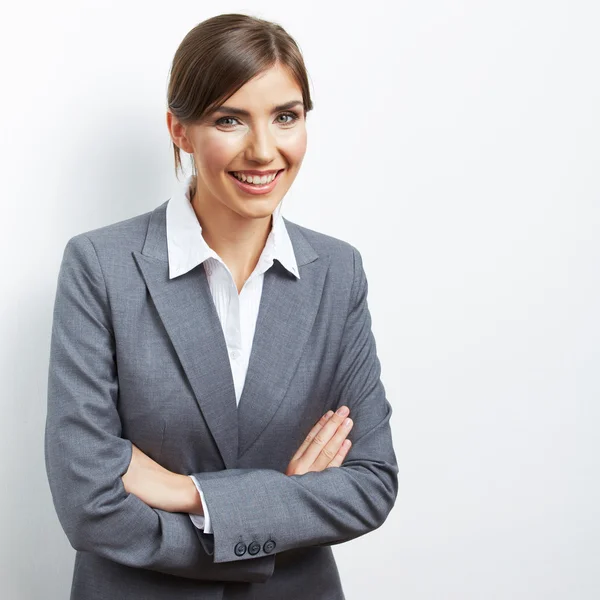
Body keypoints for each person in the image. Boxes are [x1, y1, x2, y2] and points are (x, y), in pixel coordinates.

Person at [45, 12, 398, 600]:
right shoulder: (100, 266)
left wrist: (191, 493)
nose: (264, 150)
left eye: (285, 117)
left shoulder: (337, 272)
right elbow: (89, 503)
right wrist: (280, 511)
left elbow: (370, 484)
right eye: (230, 119)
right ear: (179, 130)